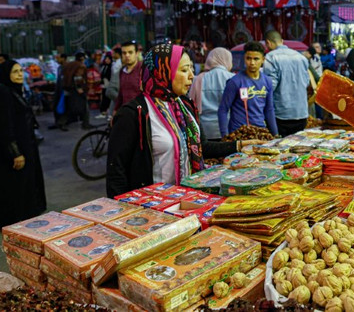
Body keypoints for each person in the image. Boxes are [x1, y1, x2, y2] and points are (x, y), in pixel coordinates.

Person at [106, 44, 255, 198]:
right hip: (152, 205)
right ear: (163, 72)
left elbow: (202, 147)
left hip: (188, 199)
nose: (191, 75)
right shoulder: (133, 114)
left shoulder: (185, 106)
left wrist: (240, 145)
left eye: (191, 68)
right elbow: (116, 172)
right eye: (184, 70)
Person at [0, 60, 46, 228]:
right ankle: (11, 220)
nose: (20, 75)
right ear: (6, 74)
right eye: (15, 72)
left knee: (21, 184)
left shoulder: (13, 91)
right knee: (12, 185)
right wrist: (15, 153)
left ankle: (21, 217)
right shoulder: (2, 93)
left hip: (24, 144)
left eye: (21, 71)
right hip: (12, 150)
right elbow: (4, 126)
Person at [218, 42, 278, 137]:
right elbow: (223, 109)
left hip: (260, 132)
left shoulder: (267, 81)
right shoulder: (235, 82)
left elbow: (269, 110)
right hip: (239, 133)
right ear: (244, 59)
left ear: (263, 60)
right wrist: (225, 136)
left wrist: (275, 134)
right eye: (248, 58)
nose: (252, 63)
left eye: (256, 59)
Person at [263, 30, 310, 136]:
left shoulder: (271, 57)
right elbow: (306, 82)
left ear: (268, 43)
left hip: (282, 114)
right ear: (282, 41)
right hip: (301, 112)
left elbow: (270, 86)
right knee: (299, 149)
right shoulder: (301, 57)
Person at [188, 47, 234, 140]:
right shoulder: (234, 78)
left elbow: (191, 103)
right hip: (228, 128)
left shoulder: (197, 79)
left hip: (205, 130)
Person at [61, 52, 92, 130]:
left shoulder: (69, 64)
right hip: (76, 90)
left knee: (68, 107)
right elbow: (78, 78)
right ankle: (85, 124)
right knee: (85, 107)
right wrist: (80, 89)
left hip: (67, 88)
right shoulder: (80, 66)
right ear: (82, 58)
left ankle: (63, 123)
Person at [114, 40, 142, 111]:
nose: (127, 55)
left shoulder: (143, 69)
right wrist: (115, 111)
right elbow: (121, 94)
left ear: (136, 53)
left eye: (130, 52)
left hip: (141, 113)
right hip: (126, 112)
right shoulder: (122, 71)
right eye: (124, 53)